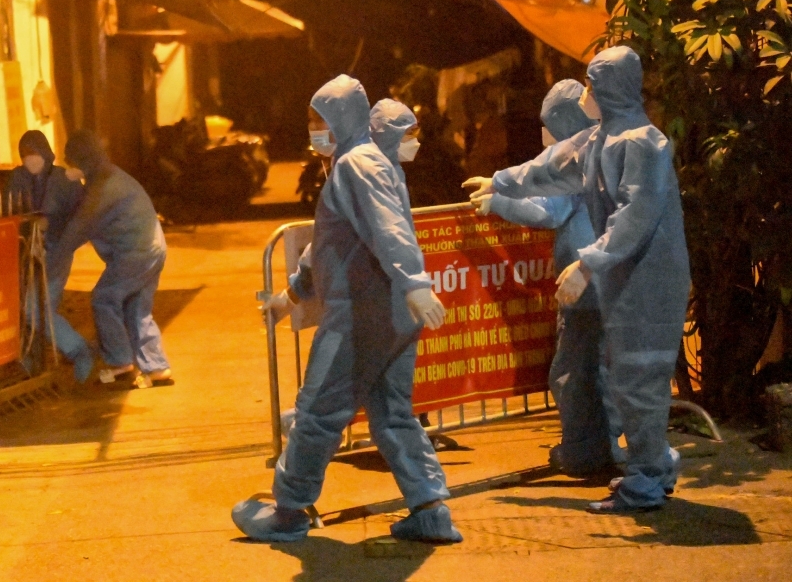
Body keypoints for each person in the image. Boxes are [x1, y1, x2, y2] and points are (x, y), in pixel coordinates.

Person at [233, 78, 460, 544]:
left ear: (343, 119)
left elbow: (388, 228)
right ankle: (430, 509)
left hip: (361, 314)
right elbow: (330, 245)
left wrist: (415, 282)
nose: (314, 129)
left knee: (317, 412)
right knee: (393, 415)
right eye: (311, 120)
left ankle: (288, 511)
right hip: (391, 314)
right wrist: (292, 295)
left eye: (320, 120)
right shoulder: (362, 163)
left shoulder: (358, 164)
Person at [465, 47, 690, 513]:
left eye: (591, 84)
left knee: (639, 381)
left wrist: (587, 263)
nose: (585, 92)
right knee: (627, 379)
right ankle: (653, 468)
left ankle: (646, 482)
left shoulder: (643, 143)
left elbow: (636, 215)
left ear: (609, 87)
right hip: (623, 280)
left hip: (650, 280)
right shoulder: (598, 139)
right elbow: (552, 168)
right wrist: (500, 182)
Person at [472, 80, 623, 474]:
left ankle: (583, 451)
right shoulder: (608, 147)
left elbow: (547, 211)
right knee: (603, 371)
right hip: (613, 283)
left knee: (573, 373)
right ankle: (607, 448)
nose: (544, 133)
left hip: (584, 286)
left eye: (549, 124)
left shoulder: (573, 158)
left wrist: (498, 202)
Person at [52, 130, 173, 388]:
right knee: (137, 308)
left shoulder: (103, 187)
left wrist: (50, 264)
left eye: (71, 160)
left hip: (136, 252)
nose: (69, 166)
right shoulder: (108, 175)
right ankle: (156, 367)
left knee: (104, 299)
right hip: (152, 248)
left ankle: (120, 361)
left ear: (82, 159)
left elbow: (78, 228)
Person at [8, 131, 94, 382]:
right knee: (33, 313)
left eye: (34, 153)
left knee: (35, 310)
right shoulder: (17, 178)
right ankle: (34, 366)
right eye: (25, 154)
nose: (30, 159)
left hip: (57, 253)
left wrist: (54, 228)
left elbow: (82, 216)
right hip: (26, 253)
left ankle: (78, 350)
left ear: (45, 152)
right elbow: (9, 212)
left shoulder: (64, 180)